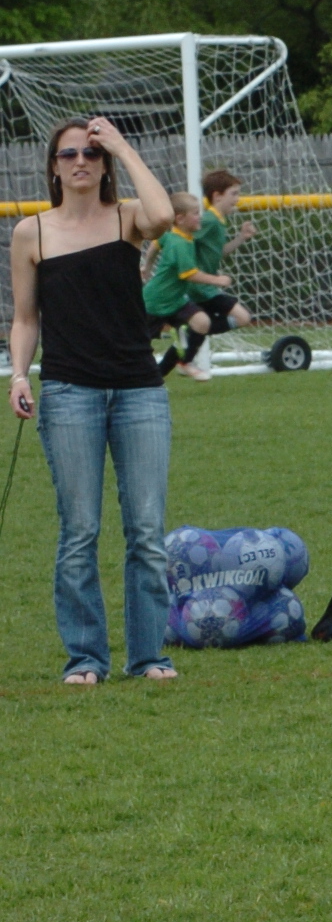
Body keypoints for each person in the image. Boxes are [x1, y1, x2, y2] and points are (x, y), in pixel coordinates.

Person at [8, 115, 180, 686]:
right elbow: (25, 318)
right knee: (79, 530)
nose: (80, 161)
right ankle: (85, 658)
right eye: (69, 154)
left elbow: (163, 216)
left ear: (104, 165)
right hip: (68, 393)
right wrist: (18, 376)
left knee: (147, 531)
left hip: (139, 391)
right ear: (54, 167)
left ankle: (149, 656)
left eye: (90, 152)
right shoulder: (31, 233)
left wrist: (123, 146)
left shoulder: (127, 218)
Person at [175, 169, 256, 376]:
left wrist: (241, 238)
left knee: (206, 325)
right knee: (242, 317)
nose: (237, 199)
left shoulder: (218, 221)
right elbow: (182, 238)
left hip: (205, 286)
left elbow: (218, 252)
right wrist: (186, 268)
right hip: (200, 286)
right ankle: (188, 333)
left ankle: (183, 358)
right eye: (234, 194)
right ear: (217, 196)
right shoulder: (209, 220)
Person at [140, 193, 219, 383]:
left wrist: (147, 267)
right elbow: (189, 274)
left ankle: (184, 362)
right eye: (195, 213)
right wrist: (218, 280)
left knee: (202, 322)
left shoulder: (173, 235)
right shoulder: (180, 244)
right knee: (138, 347)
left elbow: (156, 244)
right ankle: (141, 380)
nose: (199, 217)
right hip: (155, 303)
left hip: (176, 301)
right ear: (180, 219)